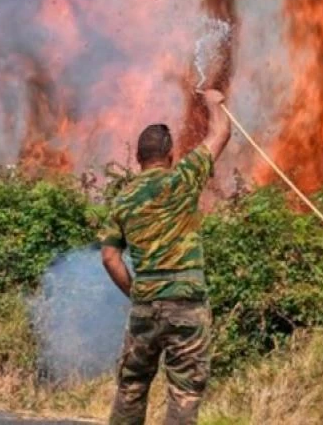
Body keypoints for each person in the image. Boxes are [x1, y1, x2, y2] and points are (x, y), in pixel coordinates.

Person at [99, 89, 232, 425]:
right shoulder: (182, 179)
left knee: (131, 385)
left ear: (138, 159)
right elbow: (221, 134)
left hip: (144, 306)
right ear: (170, 155)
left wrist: (138, 293)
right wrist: (214, 103)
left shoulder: (124, 200)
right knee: (184, 391)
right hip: (186, 304)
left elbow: (110, 257)